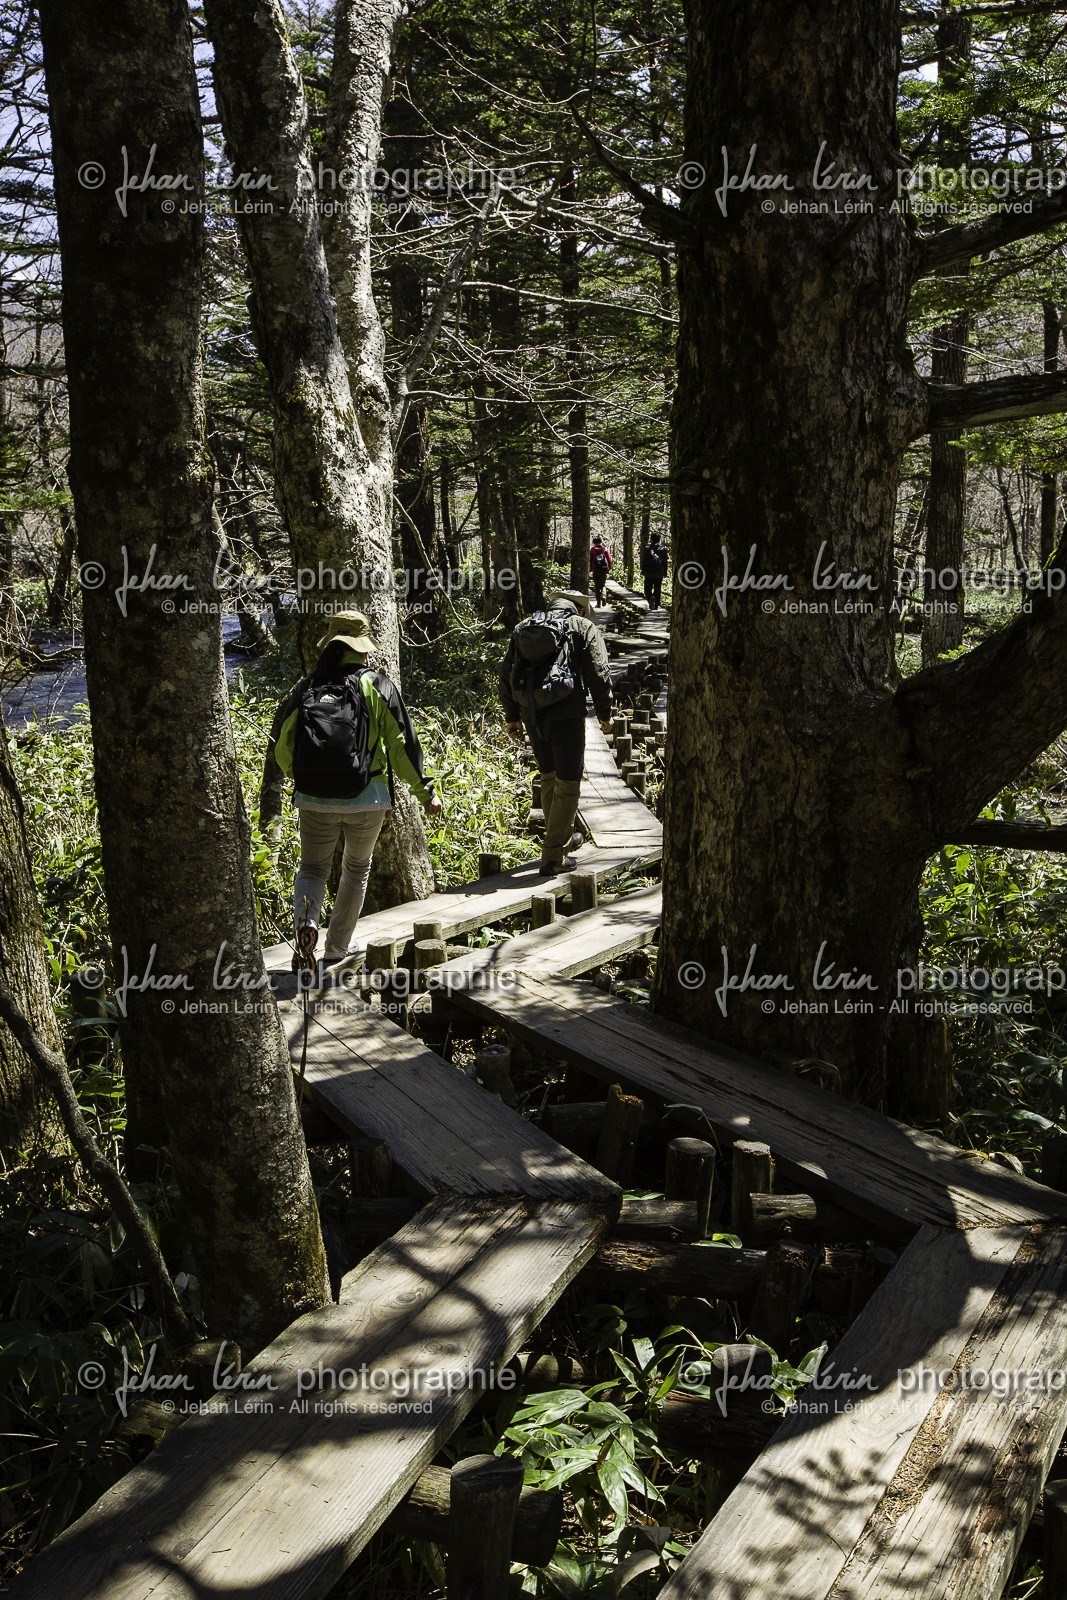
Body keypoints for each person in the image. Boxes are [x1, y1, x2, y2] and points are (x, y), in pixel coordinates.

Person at [261, 610, 443, 966]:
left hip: (314, 799)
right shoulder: (375, 684)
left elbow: (283, 747)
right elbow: (402, 746)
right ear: (362, 646)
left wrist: (308, 780)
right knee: (356, 870)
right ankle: (337, 948)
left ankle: (306, 926)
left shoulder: (307, 686)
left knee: (312, 870)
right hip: (367, 798)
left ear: (331, 642)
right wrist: (426, 793)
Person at [498, 590, 613, 875]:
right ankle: (553, 856)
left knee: (548, 775)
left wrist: (512, 717)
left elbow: (506, 673)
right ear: (580, 609)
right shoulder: (582, 626)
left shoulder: (525, 626)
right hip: (567, 714)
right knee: (569, 781)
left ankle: (558, 841)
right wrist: (605, 712)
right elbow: (598, 670)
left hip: (532, 714)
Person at [641, 531, 668, 608]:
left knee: (647, 590)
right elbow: (665, 562)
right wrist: (665, 572)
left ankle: (650, 598)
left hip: (649, 572)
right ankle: (656, 605)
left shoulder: (648, 548)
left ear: (652, 539)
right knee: (657, 589)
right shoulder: (663, 549)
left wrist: (643, 570)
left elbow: (644, 560)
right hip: (659, 573)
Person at [589, 537, 612, 605]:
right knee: (603, 585)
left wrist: (590, 569)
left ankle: (598, 602)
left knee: (597, 586)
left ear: (594, 543)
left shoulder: (593, 550)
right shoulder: (605, 549)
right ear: (601, 542)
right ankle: (604, 596)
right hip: (603, 570)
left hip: (596, 570)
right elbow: (609, 560)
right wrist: (609, 568)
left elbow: (590, 560)